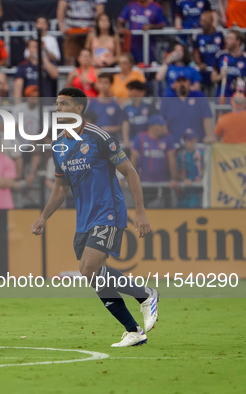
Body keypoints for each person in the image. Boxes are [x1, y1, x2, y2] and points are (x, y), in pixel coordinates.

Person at [32, 87, 157, 347]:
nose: (58, 109)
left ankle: (145, 294)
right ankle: (134, 330)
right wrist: (44, 216)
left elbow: (130, 172)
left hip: (108, 212)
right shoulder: (59, 145)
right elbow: (61, 187)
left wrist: (140, 211)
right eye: (57, 104)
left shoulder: (99, 137)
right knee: (90, 273)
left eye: (64, 104)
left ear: (79, 109)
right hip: (84, 218)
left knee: (89, 267)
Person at [159, 75, 215, 143]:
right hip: (174, 144)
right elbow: (162, 121)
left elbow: (206, 118)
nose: (182, 84)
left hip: (196, 144)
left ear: (189, 84)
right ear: (175, 84)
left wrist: (209, 136)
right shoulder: (168, 99)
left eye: (184, 81)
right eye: (179, 82)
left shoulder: (199, 96)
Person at [130, 114, 178, 188]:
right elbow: (133, 158)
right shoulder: (140, 137)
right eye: (162, 126)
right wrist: (133, 178)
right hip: (144, 182)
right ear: (153, 127)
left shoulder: (168, 137)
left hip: (164, 183)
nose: (165, 128)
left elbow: (172, 159)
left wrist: (174, 178)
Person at [57, 0, 105, 66]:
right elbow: (61, 7)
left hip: (90, 32)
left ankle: (91, 74)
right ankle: (71, 74)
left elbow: (100, 10)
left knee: (92, 55)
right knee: (70, 56)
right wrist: (61, 26)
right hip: (72, 31)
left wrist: (96, 26)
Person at [211, 30, 246, 99]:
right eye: (226, 38)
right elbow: (213, 78)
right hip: (222, 96)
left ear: (238, 41)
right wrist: (221, 76)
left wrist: (244, 83)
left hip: (239, 99)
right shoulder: (220, 56)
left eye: (230, 38)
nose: (226, 40)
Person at [193, 12, 224, 93]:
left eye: (204, 21)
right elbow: (196, 52)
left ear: (211, 21)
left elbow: (224, 52)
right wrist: (199, 63)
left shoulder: (220, 34)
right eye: (201, 21)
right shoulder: (198, 36)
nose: (202, 23)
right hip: (204, 70)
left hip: (217, 70)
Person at [121, 80, 158, 148]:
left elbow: (155, 122)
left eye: (131, 90)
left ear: (141, 92)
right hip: (132, 141)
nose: (129, 93)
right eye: (129, 90)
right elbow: (125, 124)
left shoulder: (150, 105)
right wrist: (126, 141)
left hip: (148, 140)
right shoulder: (126, 107)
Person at [175, 129, 203, 208]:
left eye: (190, 140)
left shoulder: (201, 154)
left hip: (198, 190)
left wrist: (200, 180)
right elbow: (177, 172)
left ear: (195, 140)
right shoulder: (182, 155)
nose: (188, 142)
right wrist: (184, 179)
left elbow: (206, 171)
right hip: (185, 191)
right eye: (186, 140)